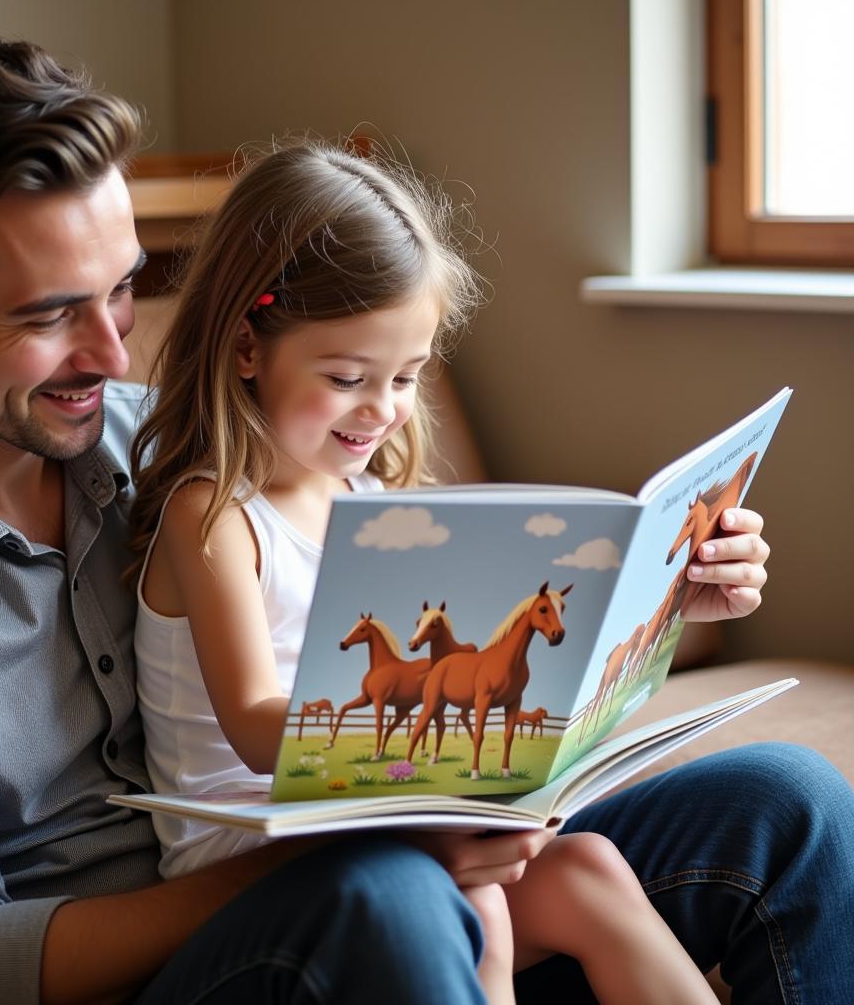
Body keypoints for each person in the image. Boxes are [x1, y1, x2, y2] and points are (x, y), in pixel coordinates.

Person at [0, 30, 850, 1005]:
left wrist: (674, 583)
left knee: (787, 802)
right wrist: (368, 838)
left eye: (125, 288)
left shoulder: (174, 436)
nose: (112, 352)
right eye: (51, 314)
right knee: (392, 895)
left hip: (374, 900)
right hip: (209, 951)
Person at [124, 140, 738, 1004]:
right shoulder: (215, 514)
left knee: (593, 868)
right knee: (480, 909)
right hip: (260, 860)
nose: (382, 409)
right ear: (247, 346)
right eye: (346, 378)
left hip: (383, 809)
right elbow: (256, 724)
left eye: (408, 377)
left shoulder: (370, 500)